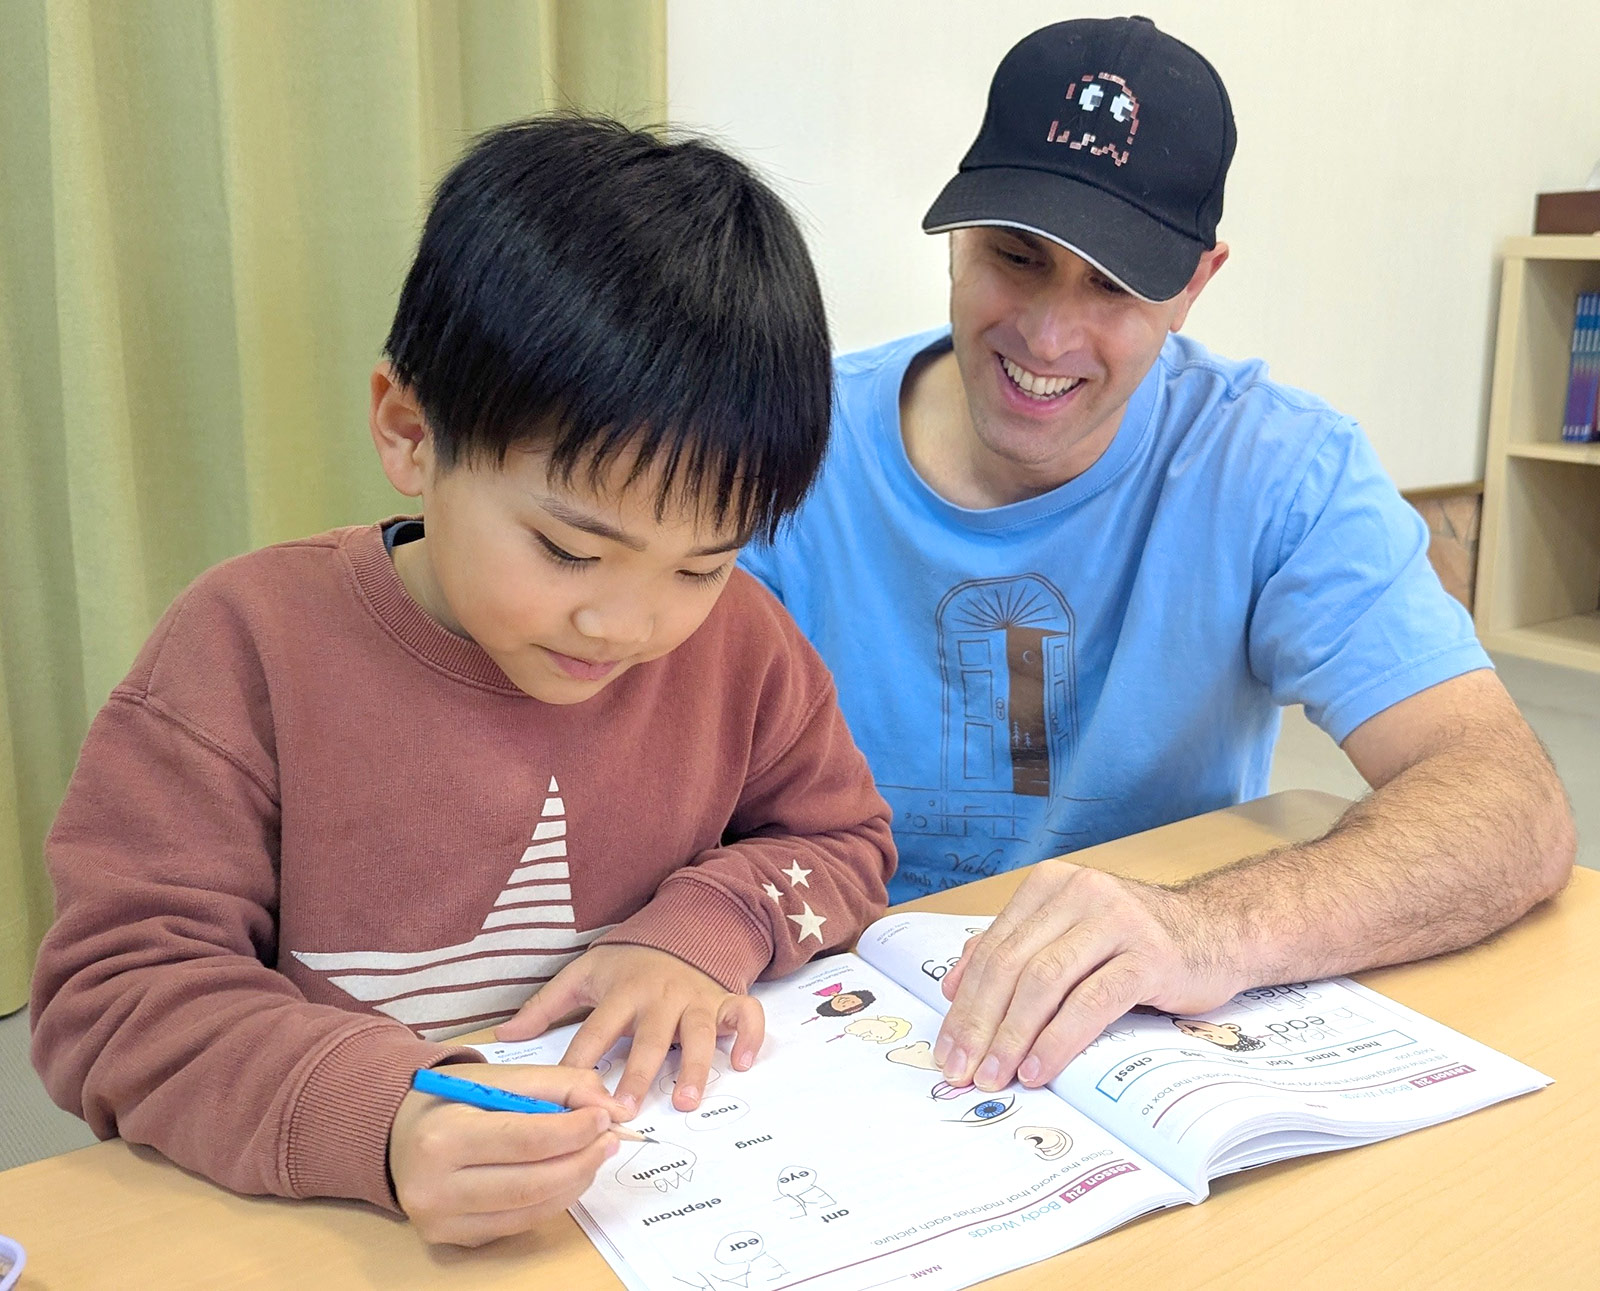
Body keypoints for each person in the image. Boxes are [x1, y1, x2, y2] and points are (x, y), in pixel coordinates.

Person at [30, 115, 895, 1247]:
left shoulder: (739, 643)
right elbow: (115, 997)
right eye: (569, 550)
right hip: (329, 1222)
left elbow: (845, 843)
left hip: (641, 1214)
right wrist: (379, 1117)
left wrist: (701, 926)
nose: (628, 622)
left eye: (700, 562)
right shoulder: (246, 647)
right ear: (408, 432)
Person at [740, 17, 1573, 1099]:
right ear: (955, 235)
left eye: (1115, 288)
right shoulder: (780, 444)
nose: (1046, 336)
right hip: (816, 1028)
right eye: (1013, 257)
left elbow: (1507, 804)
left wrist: (1208, 929)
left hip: (1116, 1055)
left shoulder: (1277, 468)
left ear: (1195, 283)